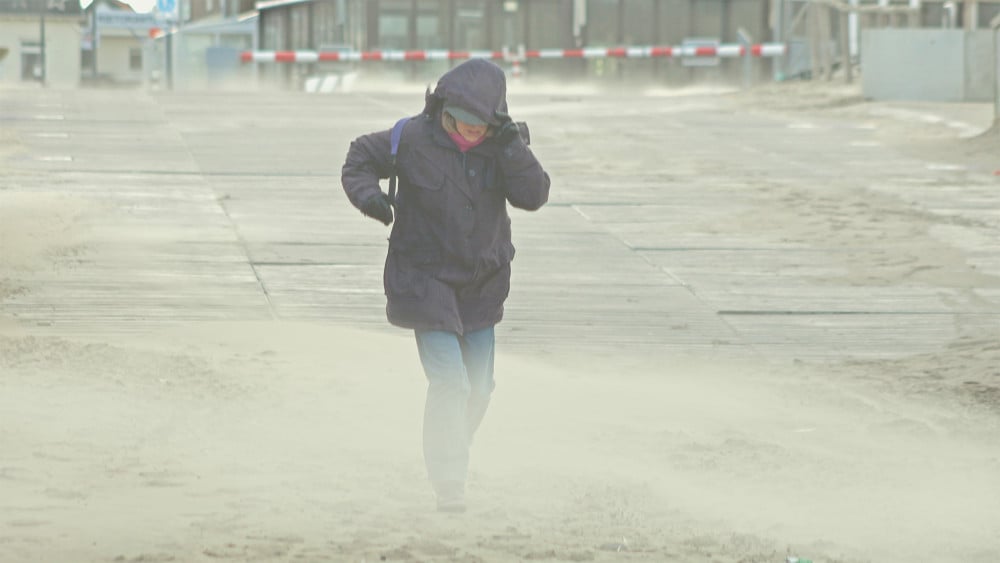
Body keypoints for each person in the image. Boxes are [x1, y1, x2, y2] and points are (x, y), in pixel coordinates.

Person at [341, 59, 550, 513]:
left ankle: (449, 446)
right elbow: (358, 157)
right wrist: (369, 198)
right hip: (423, 277)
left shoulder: (504, 144)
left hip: (482, 282)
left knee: (480, 387)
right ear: (444, 108)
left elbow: (534, 195)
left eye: (480, 127)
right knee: (451, 383)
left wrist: (514, 148)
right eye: (461, 123)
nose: (469, 133)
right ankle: (449, 482)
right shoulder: (412, 137)